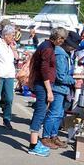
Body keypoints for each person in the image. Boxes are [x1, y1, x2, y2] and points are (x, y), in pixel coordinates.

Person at [27, 27, 68, 156]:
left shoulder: (46, 45)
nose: (63, 42)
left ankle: (34, 143)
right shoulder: (48, 48)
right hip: (42, 84)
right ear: (58, 38)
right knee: (40, 113)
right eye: (62, 39)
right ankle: (33, 145)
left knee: (40, 112)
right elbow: (44, 70)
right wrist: (49, 91)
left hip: (41, 83)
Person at [42, 31, 79, 148]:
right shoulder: (61, 55)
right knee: (54, 113)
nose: (74, 48)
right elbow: (61, 76)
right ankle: (46, 137)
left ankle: (53, 135)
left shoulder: (63, 53)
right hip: (58, 88)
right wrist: (74, 81)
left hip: (61, 88)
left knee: (59, 114)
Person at [0, 24, 18, 131]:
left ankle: (6, 119)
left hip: (9, 75)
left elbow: (16, 58)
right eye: (12, 35)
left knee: (9, 99)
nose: (13, 37)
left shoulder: (11, 45)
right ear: (5, 35)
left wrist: (14, 49)